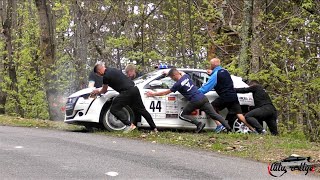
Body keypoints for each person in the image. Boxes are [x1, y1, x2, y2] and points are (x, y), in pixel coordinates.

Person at [146, 68, 231, 133]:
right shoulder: (186, 76)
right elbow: (180, 72)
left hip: (195, 100)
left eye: (171, 78)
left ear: (174, 76)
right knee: (215, 115)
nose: (172, 79)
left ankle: (199, 124)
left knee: (183, 114)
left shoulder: (177, 84)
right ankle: (229, 129)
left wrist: (152, 94)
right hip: (203, 98)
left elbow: (165, 92)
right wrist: (168, 73)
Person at [91, 63, 158, 133]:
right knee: (142, 110)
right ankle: (154, 129)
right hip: (134, 89)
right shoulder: (113, 69)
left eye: (98, 74)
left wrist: (97, 91)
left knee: (114, 109)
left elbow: (104, 91)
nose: (99, 75)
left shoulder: (106, 76)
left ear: (99, 71)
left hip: (126, 92)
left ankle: (130, 125)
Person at [198, 58, 254, 133]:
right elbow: (220, 76)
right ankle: (253, 129)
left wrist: (195, 93)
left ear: (213, 65)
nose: (209, 66)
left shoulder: (215, 75)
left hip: (225, 96)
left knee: (210, 108)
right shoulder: (225, 71)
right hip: (233, 96)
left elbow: (206, 88)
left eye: (210, 64)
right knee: (239, 115)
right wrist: (211, 73)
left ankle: (219, 125)